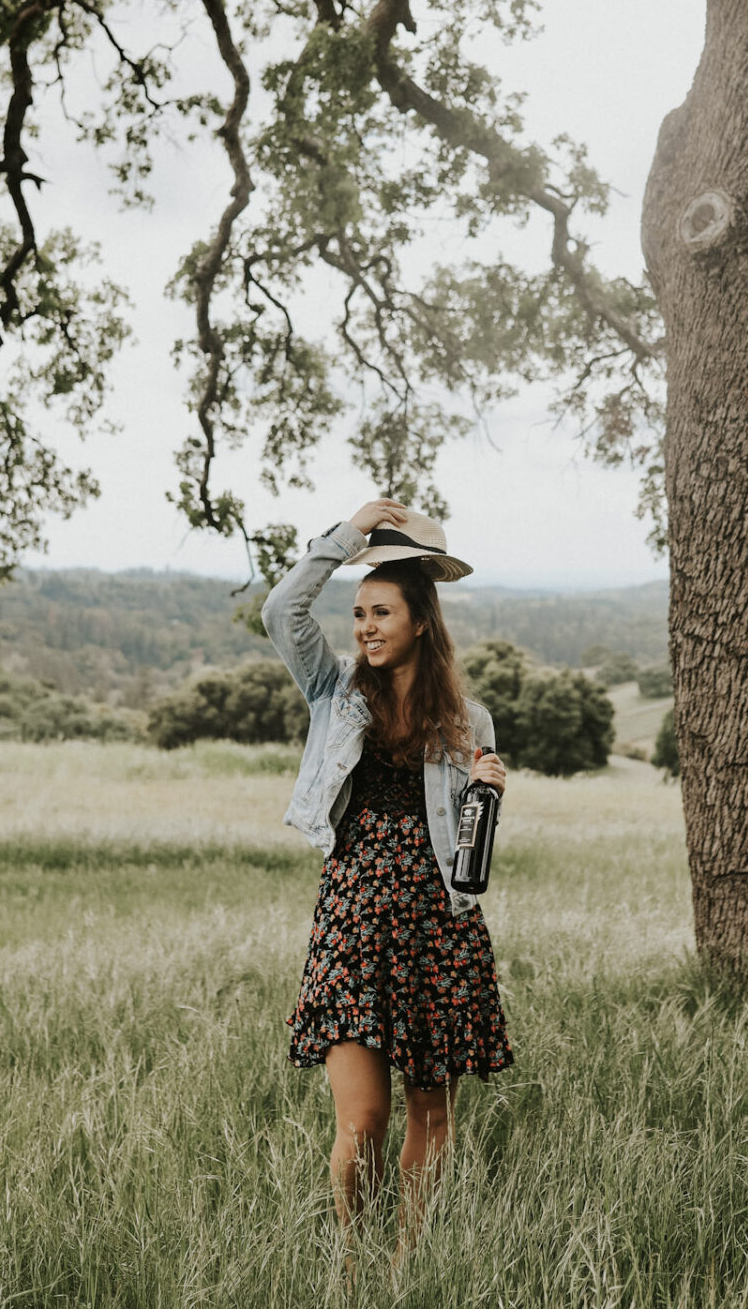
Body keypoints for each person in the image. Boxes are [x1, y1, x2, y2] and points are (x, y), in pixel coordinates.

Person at [263, 498, 512, 1253]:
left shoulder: (469, 721)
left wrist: (489, 798)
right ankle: (351, 1270)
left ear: (421, 621)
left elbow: (471, 854)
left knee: (431, 1116)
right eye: (359, 613)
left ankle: (408, 1267)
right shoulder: (334, 692)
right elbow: (281, 609)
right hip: (355, 922)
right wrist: (349, 533)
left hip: (439, 924)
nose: (365, 627)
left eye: (381, 612)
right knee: (361, 1120)